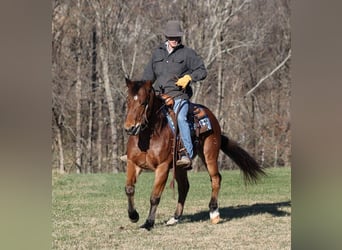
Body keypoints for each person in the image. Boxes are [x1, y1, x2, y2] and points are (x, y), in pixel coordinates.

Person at [142, 20, 207, 168]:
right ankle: (136, 151)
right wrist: (141, 91)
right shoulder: (157, 53)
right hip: (158, 97)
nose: (174, 40)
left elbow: (202, 71)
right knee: (140, 115)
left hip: (178, 96)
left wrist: (189, 77)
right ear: (166, 37)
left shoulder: (187, 53)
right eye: (171, 37)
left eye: (177, 37)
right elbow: (147, 76)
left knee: (181, 118)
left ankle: (187, 155)